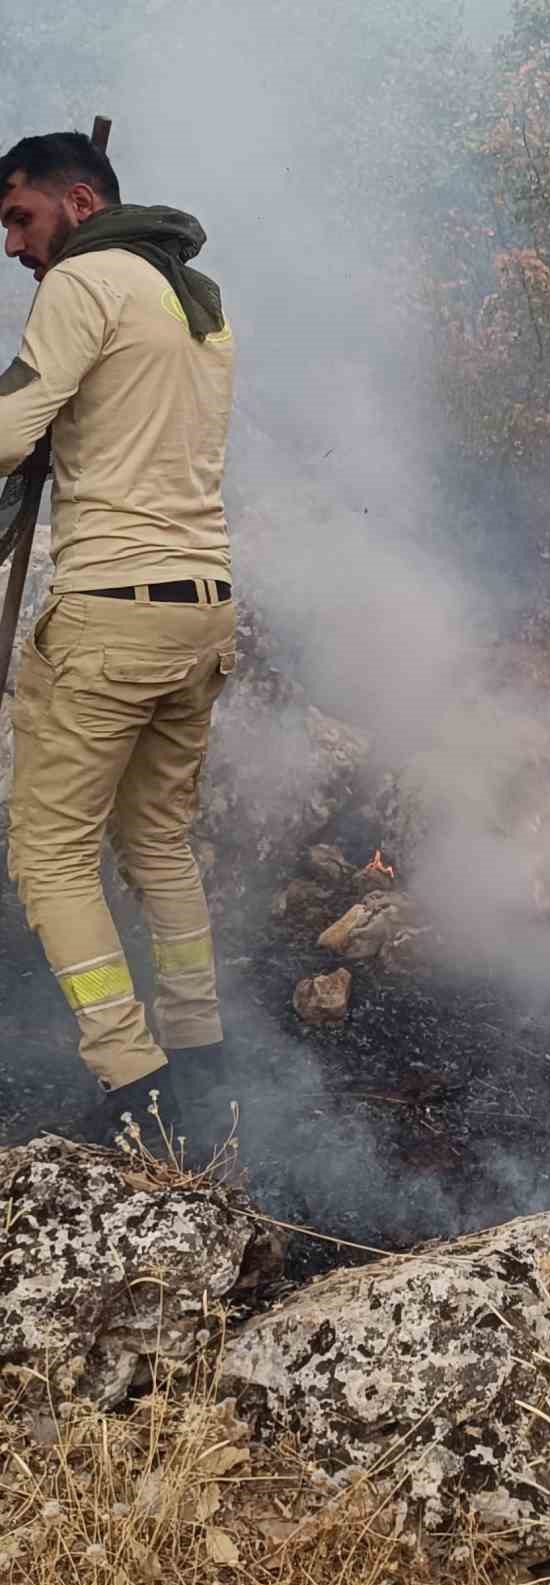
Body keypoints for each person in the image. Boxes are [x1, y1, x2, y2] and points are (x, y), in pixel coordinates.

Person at [0, 131, 236, 1151]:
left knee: (49, 854)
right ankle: (201, 1056)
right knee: (156, 842)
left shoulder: (84, 279)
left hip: (109, 612)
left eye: (21, 217)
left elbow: (7, 433)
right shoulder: (193, 299)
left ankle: (133, 1083)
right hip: (203, 609)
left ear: (82, 201)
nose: (13, 244)